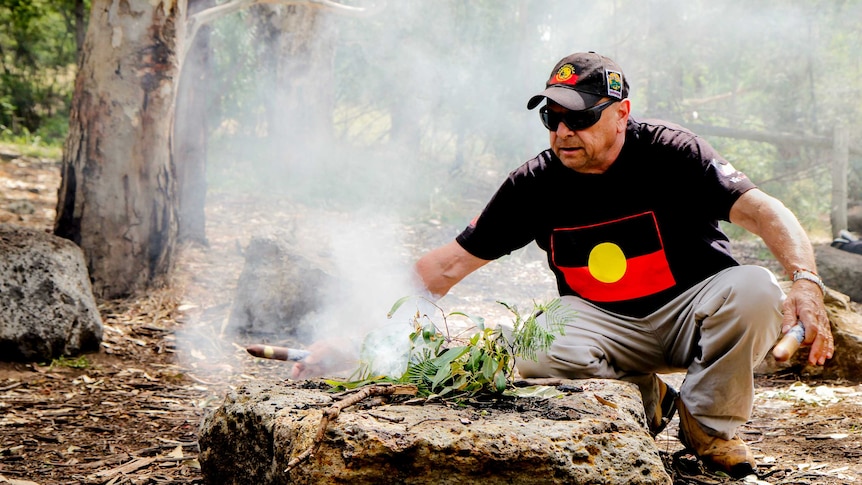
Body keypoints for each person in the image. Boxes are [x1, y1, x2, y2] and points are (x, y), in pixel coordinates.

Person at [292, 51, 834, 478]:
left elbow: (765, 212)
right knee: (528, 347)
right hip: (601, 324)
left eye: (578, 117)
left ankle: (710, 428)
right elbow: (446, 268)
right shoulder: (534, 183)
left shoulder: (672, 152)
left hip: (690, 311)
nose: (562, 131)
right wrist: (357, 336)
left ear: (621, 114)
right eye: (551, 117)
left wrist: (806, 284)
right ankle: (645, 396)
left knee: (756, 289)